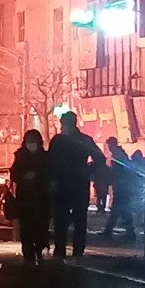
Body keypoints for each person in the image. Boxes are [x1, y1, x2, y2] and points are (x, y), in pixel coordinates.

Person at [48, 111, 101, 259]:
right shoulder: (84, 140)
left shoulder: (58, 141)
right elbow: (100, 158)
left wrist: (52, 180)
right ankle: (77, 250)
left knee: (61, 219)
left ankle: (60, 250)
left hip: (62, 184)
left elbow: (50, 162)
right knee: (79, 219)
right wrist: (88, 169)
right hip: (79, 183)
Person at [11, 129, 51, 265]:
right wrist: (24, 176)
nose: (31, 144)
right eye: (29, 141)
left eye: (33, 141)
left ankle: (39, 248)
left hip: (41, 197)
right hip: (25, 197)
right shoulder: (20, 156)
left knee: (41, 225)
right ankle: (28, 253)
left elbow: (49, 174)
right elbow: (14, 174)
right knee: (26, 226)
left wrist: (37, 176)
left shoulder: (45, 157)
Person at [100, 137, 134, 239]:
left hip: (121, 187)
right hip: (122, 186)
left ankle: (112, 230)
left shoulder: (118, 155)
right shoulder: (119, 154)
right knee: (120, 210)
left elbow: (121, 171)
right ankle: (114, 230)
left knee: (119, 209)